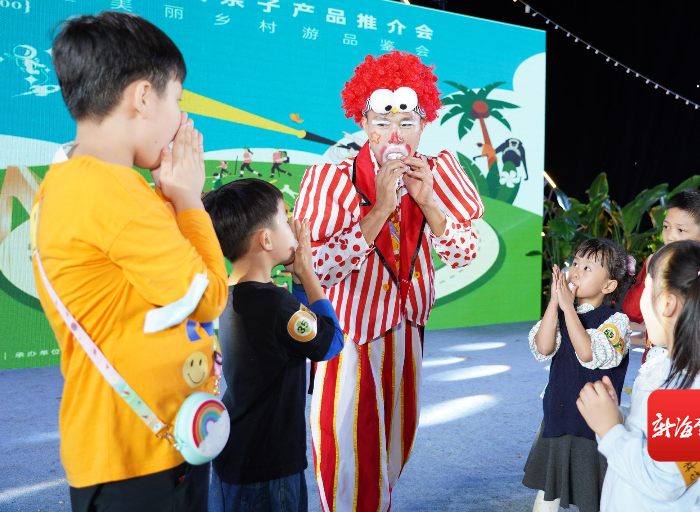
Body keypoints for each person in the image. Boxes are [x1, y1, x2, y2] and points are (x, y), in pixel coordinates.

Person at [30, 11, 228, 512]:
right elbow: (208, 297)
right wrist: (188, 197)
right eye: (177, 100)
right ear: (143, 97)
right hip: (136, 460)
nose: (180, 120)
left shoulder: (81, 180)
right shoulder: (112, 191)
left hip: (144, 446)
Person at [292, 51, 484, 512]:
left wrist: (430, 202)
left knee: (395, 445)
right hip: (350, 336)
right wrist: (378, 209)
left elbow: (465, 252)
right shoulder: (331, 179)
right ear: (363, 123)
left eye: (407, 122)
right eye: (382, 122)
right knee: (347, 453)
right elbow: (315, 267)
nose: (395, 135)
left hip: (407, 331)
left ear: (425, 123)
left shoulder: (439, 171)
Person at [576, 241, 700, 512]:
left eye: (645, 287)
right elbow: (656, 434)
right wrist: (619, 417)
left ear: (667, 304)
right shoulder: (669, 365)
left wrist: (610, 430)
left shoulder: (698, 392)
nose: (640, 297)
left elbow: (666, 482)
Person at [202, 179, 343, 512]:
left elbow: (298, 330)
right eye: (285, 219)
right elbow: (330, 342)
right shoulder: (276, 304)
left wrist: (296, 282)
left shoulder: (230, 295)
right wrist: (307, 274)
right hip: (269, 465)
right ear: (266, 240)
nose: (294, 229)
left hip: (234, 452)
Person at [523, 239, 635, 512]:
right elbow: (543, 347)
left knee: (594, 494)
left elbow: (587, 353)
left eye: (587, 268)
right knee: (548, 491)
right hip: (558, 412)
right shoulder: (562, 313)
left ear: (608, 286)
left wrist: (567, 308)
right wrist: (555, 304)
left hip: (593, 424)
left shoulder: (616, 321)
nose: (575, 271)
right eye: (575, 263)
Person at [622, 189, 700, 362]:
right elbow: (632, 312)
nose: (670, 236)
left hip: (695, 363)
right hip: (654, 364)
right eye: (666, 227)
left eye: (681, 230)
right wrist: (650, 275)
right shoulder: (655, 262)